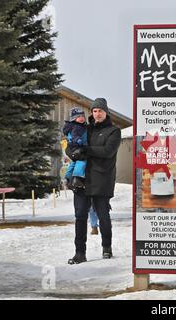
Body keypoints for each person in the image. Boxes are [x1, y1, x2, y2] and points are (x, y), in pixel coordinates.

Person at [67, 98, 121, 264]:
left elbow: (107, 151)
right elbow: (71, 146)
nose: (97, 114)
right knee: (80, 216)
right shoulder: (85, 129)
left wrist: (85, 150)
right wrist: (72, 152)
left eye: (100, 111)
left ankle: (106, 248)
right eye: (95, 111)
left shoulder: (113, 131)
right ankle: (80, 253)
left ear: (106, 112)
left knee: (103, 216)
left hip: (102, 179)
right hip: (82, 179)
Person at [62, 107, 88, 190]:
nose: (81, 118)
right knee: (82, 161)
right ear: (74, 119)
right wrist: (78, 140)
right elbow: (74, 136)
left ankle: (67, 178)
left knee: (73, 163)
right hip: (76, 146)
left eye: (82, 116)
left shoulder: (78, 126)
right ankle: (77, 177)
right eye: (78, 117)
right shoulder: (77, 127)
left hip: (73, 147)